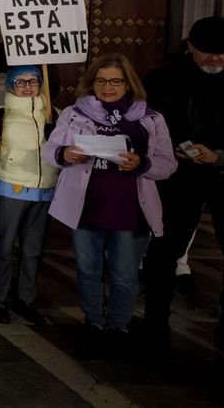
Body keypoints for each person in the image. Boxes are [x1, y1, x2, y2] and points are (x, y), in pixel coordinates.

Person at [43, 53, 176, 347]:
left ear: (128, 83)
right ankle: (93, 321)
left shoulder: (151, 119)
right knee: (88, 269)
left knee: (124, 273)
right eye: (101, 80)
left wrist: (141, 163)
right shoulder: (74, 114)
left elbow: (168, 164)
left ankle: (118, 326)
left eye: (115, 81)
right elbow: (49, 150)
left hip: (130, 207)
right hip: (86, 204)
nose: (108, 87)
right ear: (91, 83)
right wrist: (64, 154)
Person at [142, 16, 224, 348]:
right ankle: (155, 323)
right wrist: (173, 148)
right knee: (165, 250)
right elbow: (149, 122)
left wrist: (221, 156)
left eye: (223, 53)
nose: (215, 60)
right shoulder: (164, 79)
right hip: (179, 177)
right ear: (190, 47)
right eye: (207, 52)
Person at [0, 66, 59, 326]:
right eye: (20, 81)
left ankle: (26, 298)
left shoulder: (52, 113)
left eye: (34, 81)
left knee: (32, 250)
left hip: (44, 188)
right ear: (10, 84)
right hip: (12, 185)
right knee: (4, 246)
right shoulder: (2, 112)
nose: (28, 86)